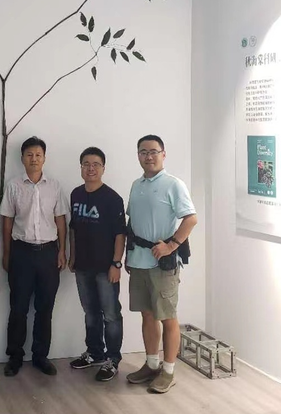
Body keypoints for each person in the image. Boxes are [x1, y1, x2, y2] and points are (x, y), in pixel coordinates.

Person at [125, 135, 197, 394]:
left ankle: (168, 371)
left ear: (163, 154)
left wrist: (171, 245)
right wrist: (127, 256)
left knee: (167, 316)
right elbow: (132, 224)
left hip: (162, 264)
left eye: (154, 151)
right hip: (139, 261)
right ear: (138, 156)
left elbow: (191, 218)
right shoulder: (136, 185)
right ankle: (151, 364)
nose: (149, 156)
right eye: (143, 152)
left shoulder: (173, 184)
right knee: (147, 314)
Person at [0, 136, 68, 377]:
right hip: (21, 252)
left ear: (44, 158)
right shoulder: (13, 185)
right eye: (29, 155)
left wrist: (62, 250)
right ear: (22, 159)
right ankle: (15, 356)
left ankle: (40, 356)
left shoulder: (55, 186)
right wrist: (6, 254)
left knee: (45, 308)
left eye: (38, 155)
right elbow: (6, 221)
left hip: (49, 253)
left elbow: (61, 220)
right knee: (18, 308)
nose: (34, 159)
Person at [69, 146, 126, 382]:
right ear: (80, 167)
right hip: (82, 265)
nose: (90, 168)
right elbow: (73, 228)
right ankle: (95, 353)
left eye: (96, 164)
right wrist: (72, 256)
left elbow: (120, 235)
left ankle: (112, 359)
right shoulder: (75, 194)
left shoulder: (113, 199)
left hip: (105, 268)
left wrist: (116, 264)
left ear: (103, 168)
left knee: (110, 315)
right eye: (86, 164)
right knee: (90, 313)